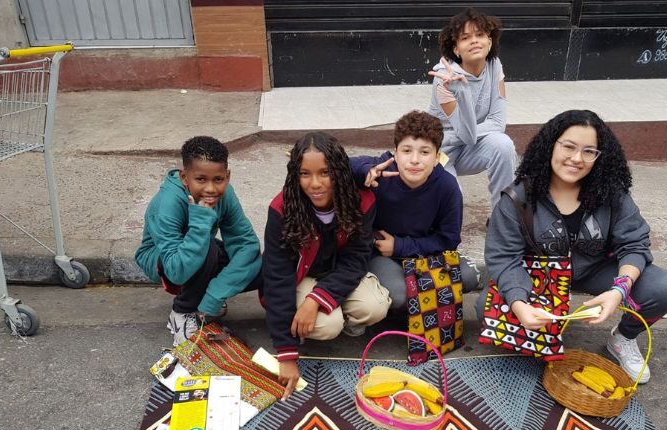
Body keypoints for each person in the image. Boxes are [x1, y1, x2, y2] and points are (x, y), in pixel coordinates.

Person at [483, 110, 667, 383]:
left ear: (600, 156)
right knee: (487, 306)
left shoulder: (610, 193)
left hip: (595, 269)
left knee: (663, 288)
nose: (576, 159)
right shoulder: (517, 198)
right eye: (568, 146)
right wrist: (519, 303)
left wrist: (619, 289)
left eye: (589, 151)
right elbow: (504, 258)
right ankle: (543, 323)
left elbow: (635, 242)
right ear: (551, 145)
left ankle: (623, 339)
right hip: (539, 278)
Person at [262, 132, 391, 399]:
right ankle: (316, 319)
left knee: (375, 307)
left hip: (339, 275)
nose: (315, 184)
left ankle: (327, 309)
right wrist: (286, 353)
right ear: (294, 175)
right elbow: (277, 276)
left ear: (340, 172)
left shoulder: (361, 201)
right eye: (305, 174)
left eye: (325, 173)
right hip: (301, 278)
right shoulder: (282, 208)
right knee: (328, 326)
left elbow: (356, 259)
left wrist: (315, 301)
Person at [135, 136, 262, 347]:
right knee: (207, 248)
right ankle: (182, 314)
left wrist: (215, 295)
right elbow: (177, 271)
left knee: (263, 266)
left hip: (198, 253)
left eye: (218, 180)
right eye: (201, 179)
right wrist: (201, 222)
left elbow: (246, 244)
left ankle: (204, 302)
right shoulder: (166, 204)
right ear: (185, 177)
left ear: (227, 177)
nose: (211, 189)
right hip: (163, 260)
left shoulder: (226, 194)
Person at [350, 110, 480, 311]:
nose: (415, 160)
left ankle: (421, 305)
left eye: (425, 152)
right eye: (407, 150)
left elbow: (449, 239)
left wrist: (401, 246)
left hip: (425, 251)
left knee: (470, 277)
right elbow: (342, 165)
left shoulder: (447, 186)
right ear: (395, 152)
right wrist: (364, 171)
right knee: (400, 294)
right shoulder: (383, 170)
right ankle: (396, 305)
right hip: (382, 254)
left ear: (437, 157)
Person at [428, 7, 517, 209]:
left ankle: (502, 217)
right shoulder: (444, 80)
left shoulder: (495, 66)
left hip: (468, 146)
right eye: (466, 38)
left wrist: (456, 136)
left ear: (490, 41)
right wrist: (461, 91)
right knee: (454, 203)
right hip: (440, 153)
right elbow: (467, 135)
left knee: (503, 145)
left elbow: (498, 122)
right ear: (456, 48)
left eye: (480, 35)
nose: (475, 41)